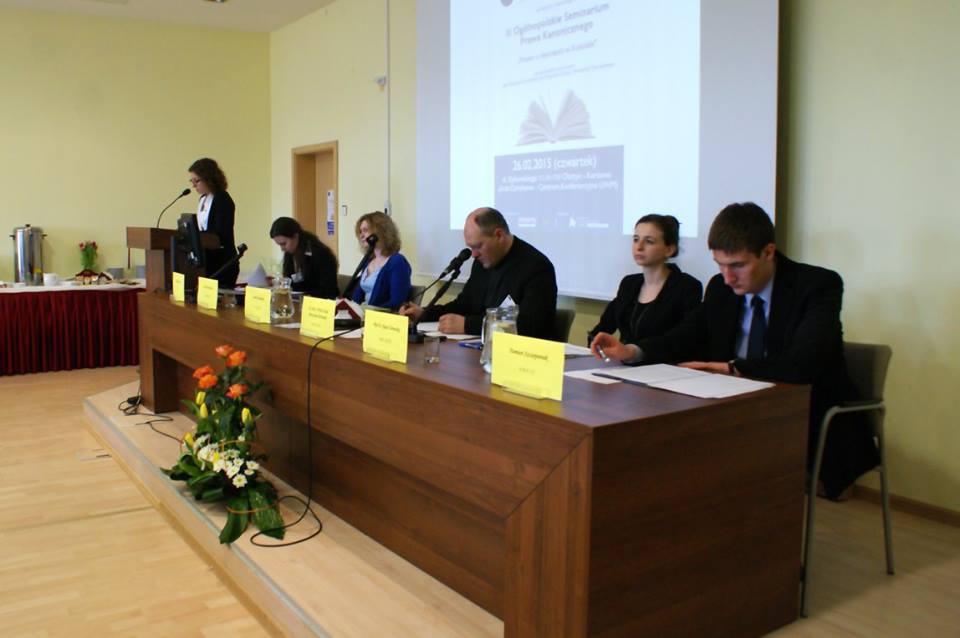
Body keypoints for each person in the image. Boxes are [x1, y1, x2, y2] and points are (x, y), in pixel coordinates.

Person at [590, 202, 879, 498]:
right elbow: (686, 334)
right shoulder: (721, 287)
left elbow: (804, 362)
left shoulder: (816, 286)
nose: (728, 277)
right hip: (731, 409)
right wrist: (633, 350)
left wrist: (733, 367)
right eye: (720, 265)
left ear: (768, 252)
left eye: (738, 265)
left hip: (801, 413)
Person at [400, 207, 557, 339]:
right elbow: (464, 305)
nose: (474, 254)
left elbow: (528, 326)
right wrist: (425, 313)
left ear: (499, 235)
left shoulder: (537, 268)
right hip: (481, 350)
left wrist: (467, 325)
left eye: (478, 246)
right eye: (471, 247)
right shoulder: (482, 262)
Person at [587, 214, 702, 346]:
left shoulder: (687, 287)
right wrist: (596, 343)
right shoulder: (629, 284)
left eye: (649, 241)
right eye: (636, 239)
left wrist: (633, 352)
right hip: (622, 359)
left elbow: (683, 340)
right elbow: (601, 330)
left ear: (669, 250)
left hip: (660, 359)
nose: (639, 247)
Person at [188, 158, 238, 289]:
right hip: (207, 260)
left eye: (197, 181)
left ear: (209, 178)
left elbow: (219, 233)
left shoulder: (222, 199)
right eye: (192, 181)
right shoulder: (203, 199)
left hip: (222, 263)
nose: (194, 186)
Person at [350, 211, 412, 310]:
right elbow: (358, 296)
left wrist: (368, 311)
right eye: (360, 231)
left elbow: (397, 302)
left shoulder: (397, 261)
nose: (361, 235)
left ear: (381, 231)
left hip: (379, 316)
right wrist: (350, 307)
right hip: (363, 314)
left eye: (365, 230)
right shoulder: (368, 260)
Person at [269, 217, 339, 299]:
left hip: (321, 302)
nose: (282, 249)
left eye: (284, 244)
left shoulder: (320, 254)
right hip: (300, 300)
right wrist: (280, 283)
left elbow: (326, 289)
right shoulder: (291, 253)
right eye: (279, 245)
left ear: (296, 236)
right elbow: (293, 282)